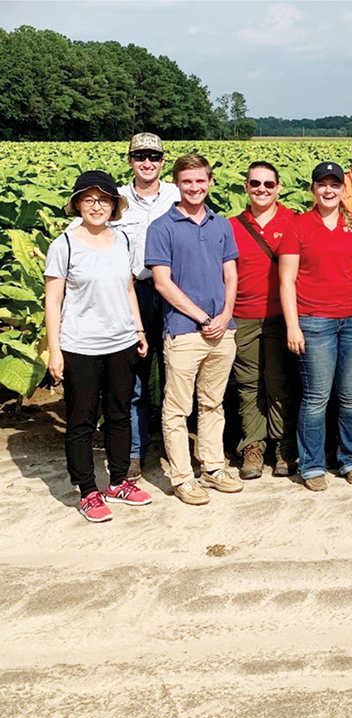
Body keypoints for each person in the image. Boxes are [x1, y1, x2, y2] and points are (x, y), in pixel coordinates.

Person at [45, 171, 151, 521]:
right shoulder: (64, 244)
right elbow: (53, 301)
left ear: (114, 205)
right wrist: (55, 351)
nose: (96, 206)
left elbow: (128, 288)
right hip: (80, 346)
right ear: (77, 204)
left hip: (121, 342)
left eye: (104, 199)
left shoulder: (122, 240)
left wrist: (138, 329)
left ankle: (118, 481)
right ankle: (88, 491)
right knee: (82, 420)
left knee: (119, 414)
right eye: (88, 199)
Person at [145, 154, 242, 505]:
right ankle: (183, 477)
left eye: (200, 181)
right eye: (187, 181)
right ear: (177, 184)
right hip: (185, 330)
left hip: (223, 329)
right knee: (177, 408)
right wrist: (203, 318)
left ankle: (213, 467)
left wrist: (225, 314)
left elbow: (230, 274)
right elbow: (162, 283)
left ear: (210, 182)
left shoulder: (221, 225)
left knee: (213, 403)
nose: (194, 187)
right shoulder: (161, 227)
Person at [278, 162, 352, 492]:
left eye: (335, 185)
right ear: (313, 189)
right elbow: (286, 280)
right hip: (313, 320)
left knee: (351, 396)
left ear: (344, 190)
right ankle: (312, 464)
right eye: (322, 184)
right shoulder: (299, 225)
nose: (328, 190)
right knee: (317, 397)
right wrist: (293, 325)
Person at [111, 133, 180, 481]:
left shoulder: (178, 194)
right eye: (140, 156)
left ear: (163, 161)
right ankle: (135, 451)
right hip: (132, 291)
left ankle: (173, 446)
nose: (147, 163)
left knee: (174, 372)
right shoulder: (115, 199)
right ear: (130, 161)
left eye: (153, 156)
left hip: (174, 292)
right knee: (135, 375)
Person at [228, 161, 298, 480]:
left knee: (280, 382)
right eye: (255, 183)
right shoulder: (231, 226)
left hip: (280, 316)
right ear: (246, 186)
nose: (261, 189)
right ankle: (253, 446)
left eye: (268, 184)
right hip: (243, 315)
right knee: (248, 385)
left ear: (278, 188)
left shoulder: (293, 221)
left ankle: (284, 445)